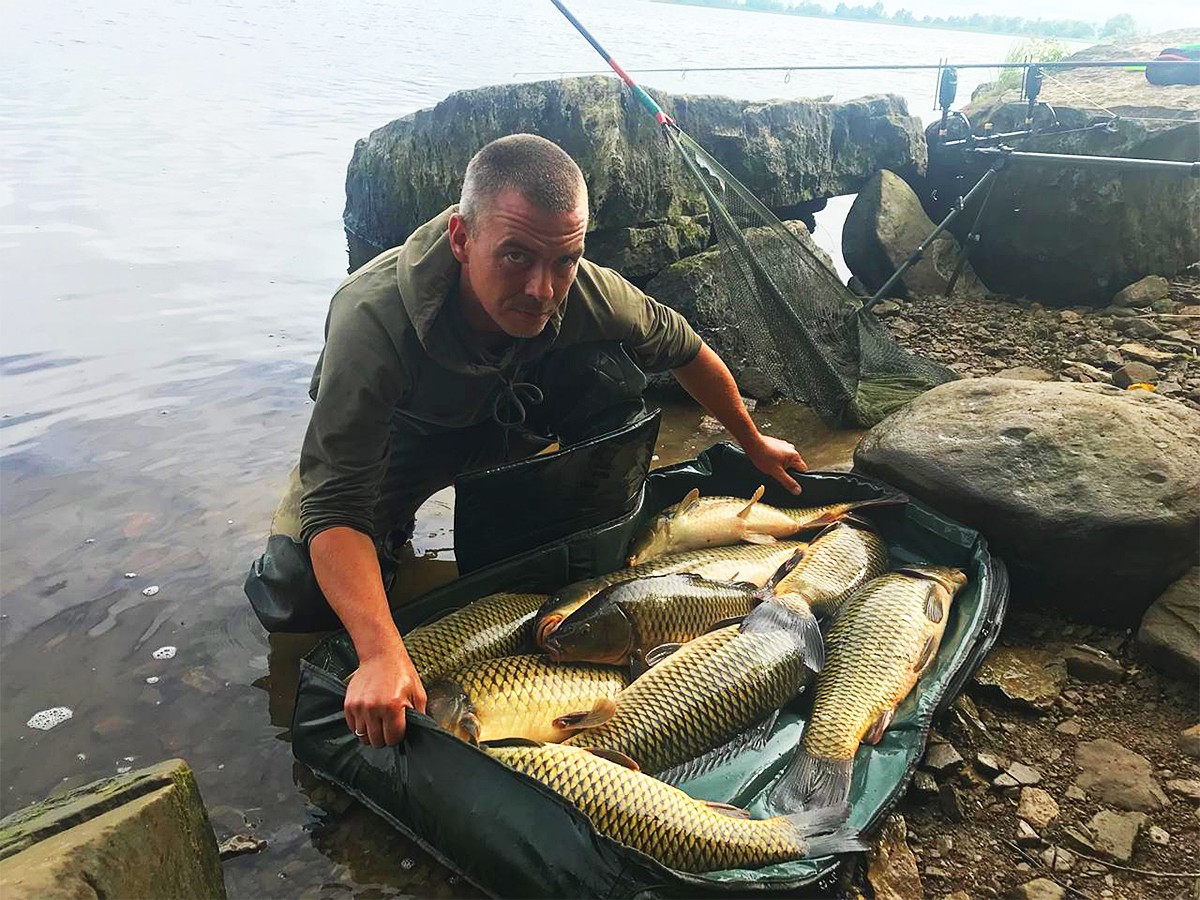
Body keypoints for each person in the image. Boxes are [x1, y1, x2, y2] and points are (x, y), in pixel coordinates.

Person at [256, 133, 807, 748]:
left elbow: (685, 350)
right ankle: (392, 552)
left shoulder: (585, 289)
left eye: (564, 261)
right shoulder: (372, 317)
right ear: (462, 239)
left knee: (615, 378)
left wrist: (755, 444)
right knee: (298, 595)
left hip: (508, 421)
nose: (543, 289)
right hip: (401, 442)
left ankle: (546, 526)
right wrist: (381, 652)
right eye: (516, 257)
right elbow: (334, 504)